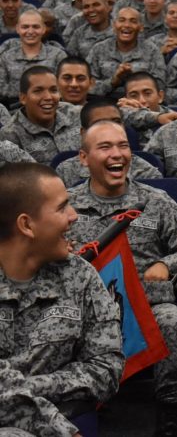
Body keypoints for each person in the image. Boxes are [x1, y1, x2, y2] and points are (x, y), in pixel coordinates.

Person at [69, 120, 177, 436]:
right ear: (84, 158)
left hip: (146, 306)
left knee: (174, 324)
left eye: (123, 146)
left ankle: (170, 417)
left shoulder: (155, 201)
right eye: (105, 147)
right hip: (83, 310)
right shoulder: (65, 205)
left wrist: (167, 265)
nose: (117, 154)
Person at [0, 162, 123, 435]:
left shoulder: (80, 276)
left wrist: (29, 386)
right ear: (26, 225)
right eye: (61, 208)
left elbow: (107, 369)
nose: (74, 216)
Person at [1, 67, 80, 163]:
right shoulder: (10, 134)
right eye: (38, 91)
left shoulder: (75, 114)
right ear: (23, 98)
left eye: (53, 90)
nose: (48, 97)